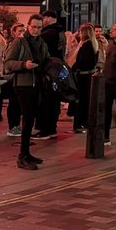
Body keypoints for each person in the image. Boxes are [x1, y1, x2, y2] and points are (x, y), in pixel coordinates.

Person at [3, 15, 48, 169]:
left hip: (36, 84)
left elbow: (46, 60)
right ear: (28, 26)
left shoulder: (41, 42)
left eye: (39, 27)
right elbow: (8, 63)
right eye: (34, 26)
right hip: (23, 84)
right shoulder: (19, 42)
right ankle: (22, 156)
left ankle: (27, 153)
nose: (36, 30)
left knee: (30, 120)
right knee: (27, 119)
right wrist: (23, 65)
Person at [34, 10, 66, 139]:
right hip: (57, 70)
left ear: (48, 18)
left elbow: (39, 51)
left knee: (46, 100)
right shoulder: (60, 32)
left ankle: (45, 129)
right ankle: (51, 127)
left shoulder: (48, 34)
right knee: (54, 100)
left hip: (48, 70)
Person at [70, 22, 102, 133]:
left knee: (81, 101)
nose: (79, 34)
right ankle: (84, 123)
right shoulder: (94, 44)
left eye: (80, 32)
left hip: (83, 76)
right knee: (86, 100)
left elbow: (81, 62)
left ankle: (79, 124)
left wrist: (73, 68)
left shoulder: (86, 46)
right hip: (89, 75)